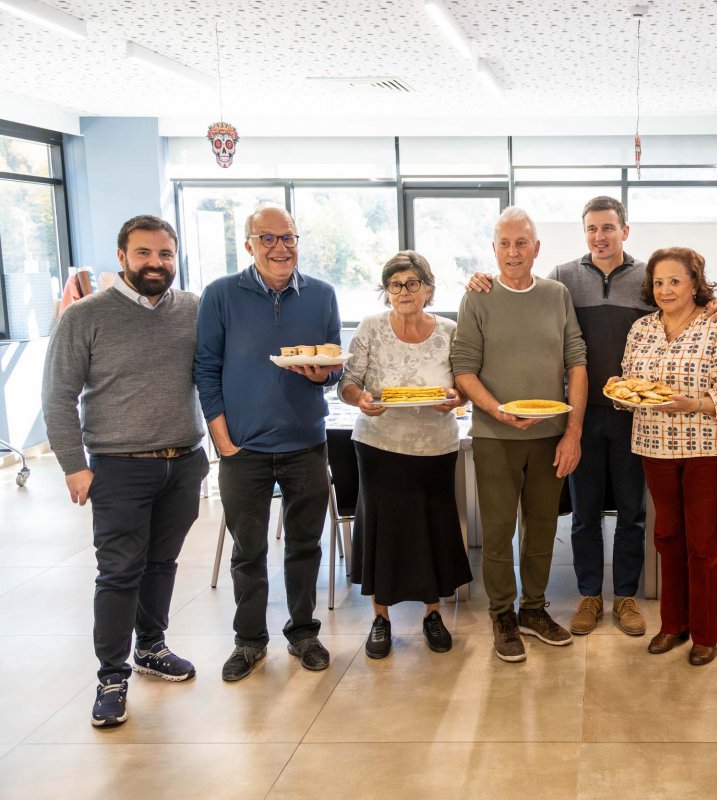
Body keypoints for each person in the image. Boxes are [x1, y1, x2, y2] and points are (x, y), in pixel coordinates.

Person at [464, 197, 717, 637]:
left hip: (635, 416)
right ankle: (589, 595)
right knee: (584, 513)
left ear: (625, 230)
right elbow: (520, 292)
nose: (600, 236)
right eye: (591, 229)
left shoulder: (649, 277)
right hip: (581, 415)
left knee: (632, 511)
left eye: (608, 227)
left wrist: (716, 303)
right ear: (583, 233)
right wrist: (481, 278)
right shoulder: (564, 278)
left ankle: (624, 596)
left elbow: (685, 300)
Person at [42, 215, 209, 728]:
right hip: (118, 467)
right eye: (143, 253)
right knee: (119, 573)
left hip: (183, 462)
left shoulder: (195, 310)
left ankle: (151, 648)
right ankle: (111, 676)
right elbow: (58, 395)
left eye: (164, 253)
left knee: (162, 564)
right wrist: (74, 465)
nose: (155, 263)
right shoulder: (85, 317)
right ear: (122, 258)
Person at [194, 204, 343, 682]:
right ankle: (249, 641)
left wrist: (325, 372)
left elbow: (335, 365)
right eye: (268, 238)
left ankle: (303, 632)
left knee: (305, 545)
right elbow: (205, 369)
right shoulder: (220, 295)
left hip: (305, 443)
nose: (281, 247)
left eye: (289, 237)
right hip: (243, 449)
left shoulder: (321, 295)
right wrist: (222, 439)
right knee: (248, 550)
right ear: (249, 245)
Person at [451, 207, 588, 663]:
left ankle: (533, 609)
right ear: (494, 249)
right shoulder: (478, 298)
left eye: (522, 243)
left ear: (537, 249)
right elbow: (464, 369)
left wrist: (572, 433)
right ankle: (502, 614)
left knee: (543, 529)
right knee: (496, 531)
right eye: (505, 244)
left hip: (550, 436)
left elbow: (577, 362)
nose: (513, 252)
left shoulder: (557, 294)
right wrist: (497, 411)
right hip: (494, 436)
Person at [338, 251, 471, 659]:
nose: (404, 291)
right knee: (383, 529)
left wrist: (455, 397)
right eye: (395, 285)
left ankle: (433, 613)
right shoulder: (371, 328)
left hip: (436, 446)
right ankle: (381, 618)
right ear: (386, 291)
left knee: (433, 528)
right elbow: (348, 382)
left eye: (412, 283)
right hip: (380, 445)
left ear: (428, 289)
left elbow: (464, 384)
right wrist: (360, 399)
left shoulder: (450, 330)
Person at [621, 247, 717, 666]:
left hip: (706, 447)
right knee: (667, 537)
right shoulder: (641, 329)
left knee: (705, 543)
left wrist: (693, 404)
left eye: (675, 280)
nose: (665, 289)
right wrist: (620, 389)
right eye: (658, 282)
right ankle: (673, 624)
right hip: (654, 445)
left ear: (695, 283)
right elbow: (631, 387)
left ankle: (707, 633)